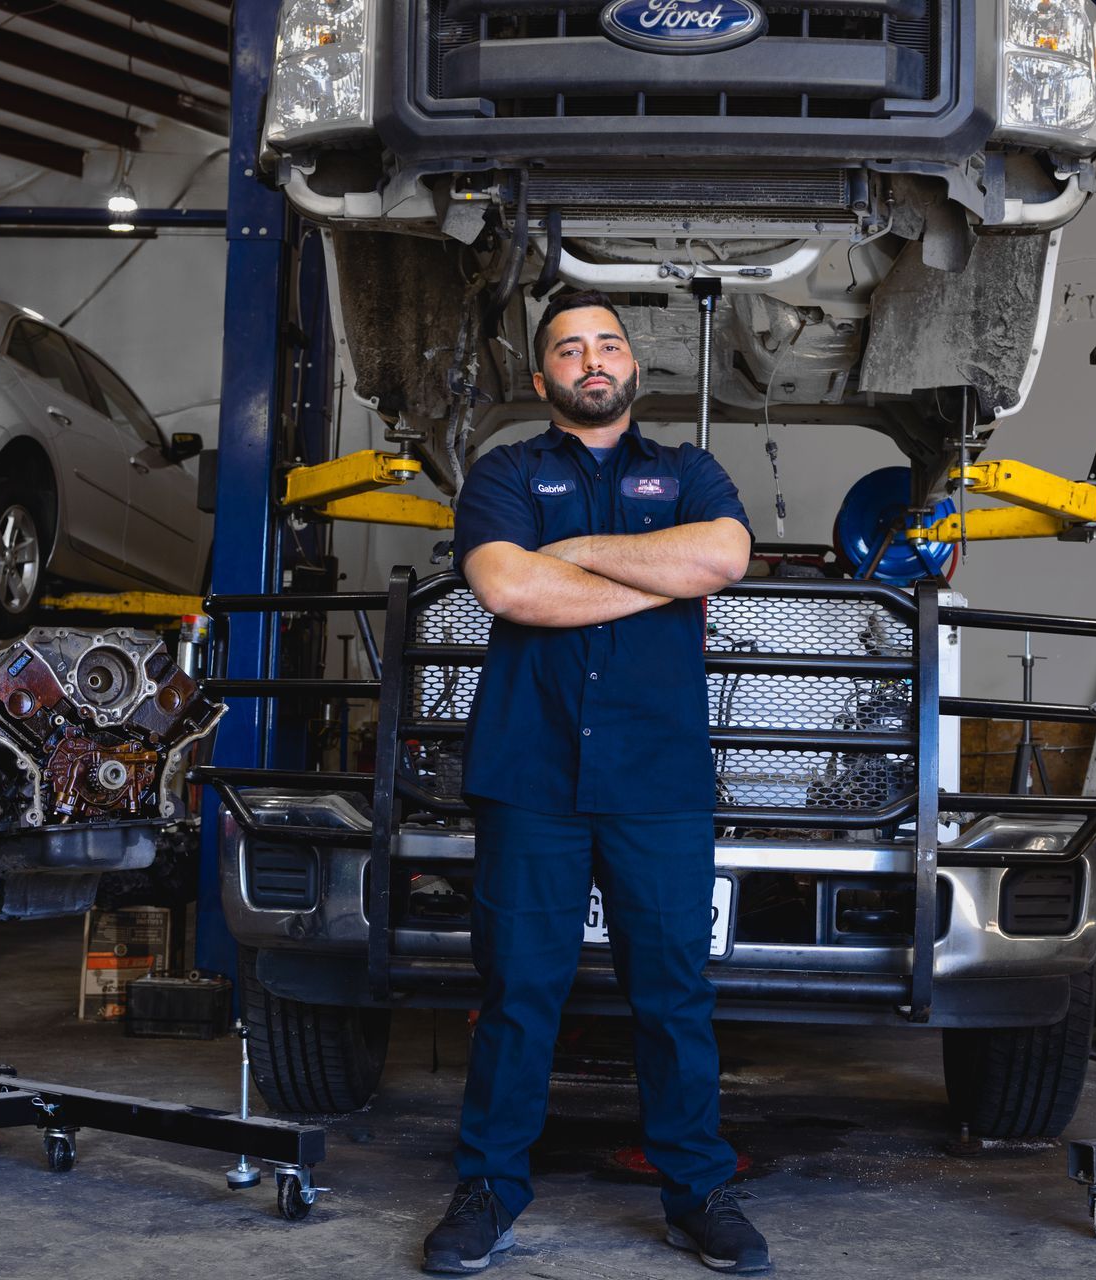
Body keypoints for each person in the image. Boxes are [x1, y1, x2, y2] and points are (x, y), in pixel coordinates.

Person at [422, 290, 768, 1274]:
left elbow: (724, 555)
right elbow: (507, 586)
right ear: (543, 378)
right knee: (518, 993)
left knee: (673, 995)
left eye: (607, 343)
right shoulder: (505, 471)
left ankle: (697, 1191)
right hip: (529, 773)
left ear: (632, 368)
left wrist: (572, 554)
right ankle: (489, 1188)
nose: (592, 359)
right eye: (570, 349)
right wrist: (656, 577)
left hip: (658, 779)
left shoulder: (689, 471)